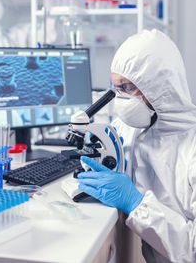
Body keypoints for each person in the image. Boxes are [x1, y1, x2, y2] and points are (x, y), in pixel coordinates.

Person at [78, 29, 196, 263]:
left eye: (127, 87)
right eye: (116, 88)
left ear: (159, 86)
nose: (121, 98)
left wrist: (137, 204)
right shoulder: (134, 126)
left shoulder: (191, 147)